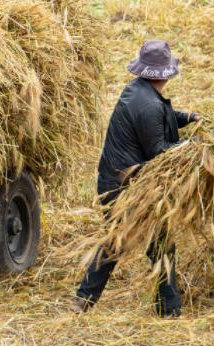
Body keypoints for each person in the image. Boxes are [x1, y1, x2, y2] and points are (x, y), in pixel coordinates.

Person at [74, 40, 195, 318]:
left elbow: (161, 118)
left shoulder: (138, 91)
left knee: (130, 242)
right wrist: (193, 146)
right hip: (125, 187)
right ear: (165, 73)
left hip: (117, 182)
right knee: (142, 243)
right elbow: (158, 150)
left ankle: (86, 300)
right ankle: (169, 309)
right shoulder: (148, 104)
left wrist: (187, 118)